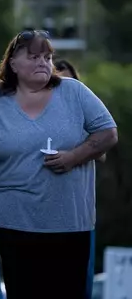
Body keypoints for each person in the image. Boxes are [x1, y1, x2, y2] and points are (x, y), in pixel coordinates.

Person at [0, 31, 118, 299]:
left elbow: (108, 133)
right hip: (11, 219)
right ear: (12, 63)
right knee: (23, 290)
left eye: (47, 57)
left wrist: (74, 157)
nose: (43, 63)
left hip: (69, 221)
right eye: (34, 56)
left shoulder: (74, 92)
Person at [55, 58, 99, 299]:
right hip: (41, 216)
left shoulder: (85, 110)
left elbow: (102, 146)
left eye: (68, 80)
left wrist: (74, 154)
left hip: (79, 213)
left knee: (80, 284)